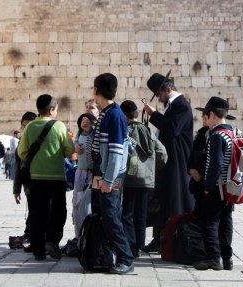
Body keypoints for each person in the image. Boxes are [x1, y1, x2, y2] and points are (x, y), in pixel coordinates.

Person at [142, 71, 194, 252]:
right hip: (167, 163)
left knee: (174, 200)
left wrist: (154, 115)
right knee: (162, 202)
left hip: (177, 163)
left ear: (168, 89)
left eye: (159, 94)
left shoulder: (182, 106)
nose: (158, 98)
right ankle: (160, 238)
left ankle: (176, 238)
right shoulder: (172, 106)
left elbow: (172, 129)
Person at [18, 94, 74, 261]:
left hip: (36, 178)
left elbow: (21, 152)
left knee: (37, 213)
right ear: (51, 110)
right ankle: (52, 241)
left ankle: (38, 250)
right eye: (56, 109)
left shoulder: (29, 127)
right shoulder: (59, 126)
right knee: (58, 211)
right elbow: (70, 150)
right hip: (57, 177)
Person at [91, 73, 134, 274]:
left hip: (111, 175)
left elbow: (117, 151)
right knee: (107, 214)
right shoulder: (108, 113)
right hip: (104, 173)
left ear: (97, 90)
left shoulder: (114, 115)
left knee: (111, 216)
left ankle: (125, 257)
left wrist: (108, 180)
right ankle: (111, 253)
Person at [120, 100, 168, 258]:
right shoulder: (148, 131)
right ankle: (140, 245)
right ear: (135, 114)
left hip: (130, 178)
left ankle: (131, 246)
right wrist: (152, 168)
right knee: (141, 214)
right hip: (146, 179)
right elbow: (162, 153)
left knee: (127, 213)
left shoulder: (124, 131)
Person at [193, 97, 235, 271]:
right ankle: (227, 259)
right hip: (229, 187)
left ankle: (213, 257)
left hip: (217, 187)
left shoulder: (217, 135)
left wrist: (208, 187)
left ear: (211, 114)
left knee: (209, 221)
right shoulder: (232, 133)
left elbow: (215, 165)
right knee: (226, 221)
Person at [13, 111, 37, 251]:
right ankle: (33, 237)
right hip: (28, 183)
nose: (25, 129)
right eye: (23, 126)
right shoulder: (21, 143)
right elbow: (17, 167)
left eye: (28, 126)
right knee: (33, 210)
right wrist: (16, 189)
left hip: (43, 180)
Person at [72, 113, 97, 239]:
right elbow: (75, 140)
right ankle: (79, 235)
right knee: (78, 203)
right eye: (82, 121)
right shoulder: (79, 135)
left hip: (94, 174)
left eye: (87, 121)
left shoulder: (96, 135)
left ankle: (91, 234)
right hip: (81, 173)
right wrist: (75, 145)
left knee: (91, 205)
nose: (84, 122)